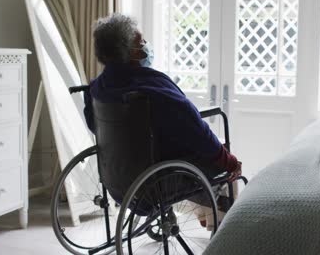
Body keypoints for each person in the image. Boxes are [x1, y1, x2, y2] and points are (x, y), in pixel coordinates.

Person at [84, 14, 242, 228]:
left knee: (188, 150)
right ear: (129, 52)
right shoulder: (153, 87)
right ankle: (221, 228)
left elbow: (96, 128)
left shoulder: (97, 87)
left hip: (117, 178)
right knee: (219, 161)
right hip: (155, 182)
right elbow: (195, 129)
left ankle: (207, 218)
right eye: (141, 43)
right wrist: (229, 161)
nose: (146, 46)